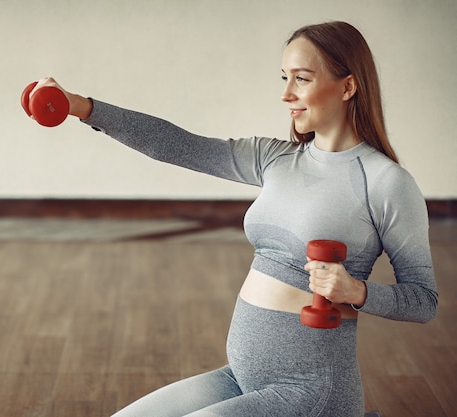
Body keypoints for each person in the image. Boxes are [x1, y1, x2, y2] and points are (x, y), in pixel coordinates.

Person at [27, 21, 438, 417]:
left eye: (302, 79)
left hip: (310, 390)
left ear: (347, 86)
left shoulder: (386, 183)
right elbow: (176, 145)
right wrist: (80, 107)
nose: (286, 94)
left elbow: (424, 301)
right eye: (284, 78)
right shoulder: (275, 158)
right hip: (241, 377)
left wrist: (356, 291)